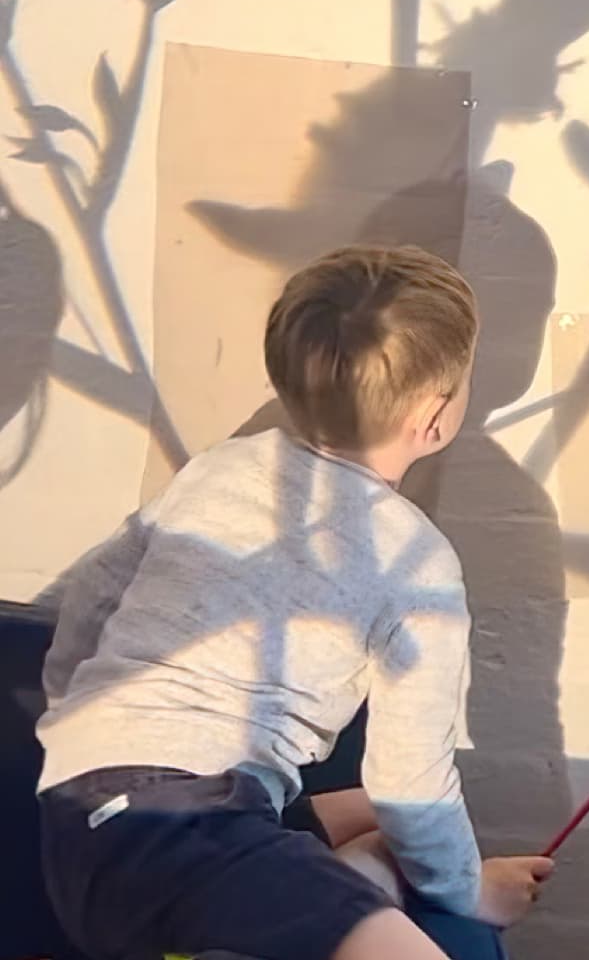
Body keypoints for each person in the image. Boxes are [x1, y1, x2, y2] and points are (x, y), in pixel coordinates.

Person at [35, 244, 555, 960]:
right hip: (189, 831)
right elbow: (412, 780)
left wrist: (81, 724)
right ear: (435, 418)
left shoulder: (219, 469)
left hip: (78, 817)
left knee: (373, 828)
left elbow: (92, 601)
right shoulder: (416, 562)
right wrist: (471, 891)